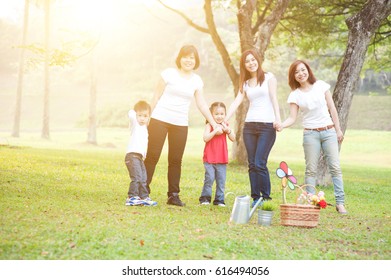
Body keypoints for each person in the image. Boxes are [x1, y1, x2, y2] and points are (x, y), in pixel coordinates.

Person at [144, 45, 218, 207]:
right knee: (152, 156)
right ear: (180, 58)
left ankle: (173, 195)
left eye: (192, 57)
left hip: (180, 123)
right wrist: (148, 116)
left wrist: (213, 124)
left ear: (196, 60)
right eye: (185, 56)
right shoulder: (168, 73)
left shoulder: (197, 81)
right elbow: (156, 96)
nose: (188, 60)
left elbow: (202, 104)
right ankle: (142, 190)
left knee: (176, 160)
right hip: (159, 119)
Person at [278, 59, 347, 214]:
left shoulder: (321, 86)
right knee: (311, 170)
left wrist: (338, 130)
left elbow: (332, 108)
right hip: (310, 134)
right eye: (296, 72)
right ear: (293, 76)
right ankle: (310, 202)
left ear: (308, 70)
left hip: (329, 131)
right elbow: (292, 118)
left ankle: (340, 203)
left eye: (303, 70)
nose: (301, 74)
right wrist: (282, 125)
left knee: (335, 167)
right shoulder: (295, 95)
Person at [225, 49, 281, 207]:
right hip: (249, 127)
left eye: (253, 60)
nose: (251, 63)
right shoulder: (245, 83)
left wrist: (278, 119)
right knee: (252, 163)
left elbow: (274, 98)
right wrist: (225, 120)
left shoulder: (269, 77)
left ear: (258, 60)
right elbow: (237, 101)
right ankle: (255, 197)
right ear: (244, 65)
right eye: (247, 61)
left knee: (259, 162)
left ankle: (266, 198)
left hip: (267, 127)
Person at [199, 102, 235, 207]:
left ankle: (219, 200)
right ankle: (205, 198)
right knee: (209, 178)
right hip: (209, 158)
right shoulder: (209, 125)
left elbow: (233, 138)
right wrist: (214, 131)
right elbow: (205, 138)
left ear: (225, 114)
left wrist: (228, 131)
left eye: (222, 114)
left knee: (221, 180)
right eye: (216, 114)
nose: (219, 116)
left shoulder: (225, 125)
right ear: (211, 115)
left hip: (221, 158)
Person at [125, 101, 157, 206]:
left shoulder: (145, 128)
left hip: (139, 157)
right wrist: (135, 114)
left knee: (144, 178)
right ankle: (132, 197)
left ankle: (144, 197)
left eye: (145, 116)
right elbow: (130, 113)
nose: (142, 118)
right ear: (136, 115)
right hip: (132, 156)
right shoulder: (135, 124)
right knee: (137, 177)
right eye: (140, 115)